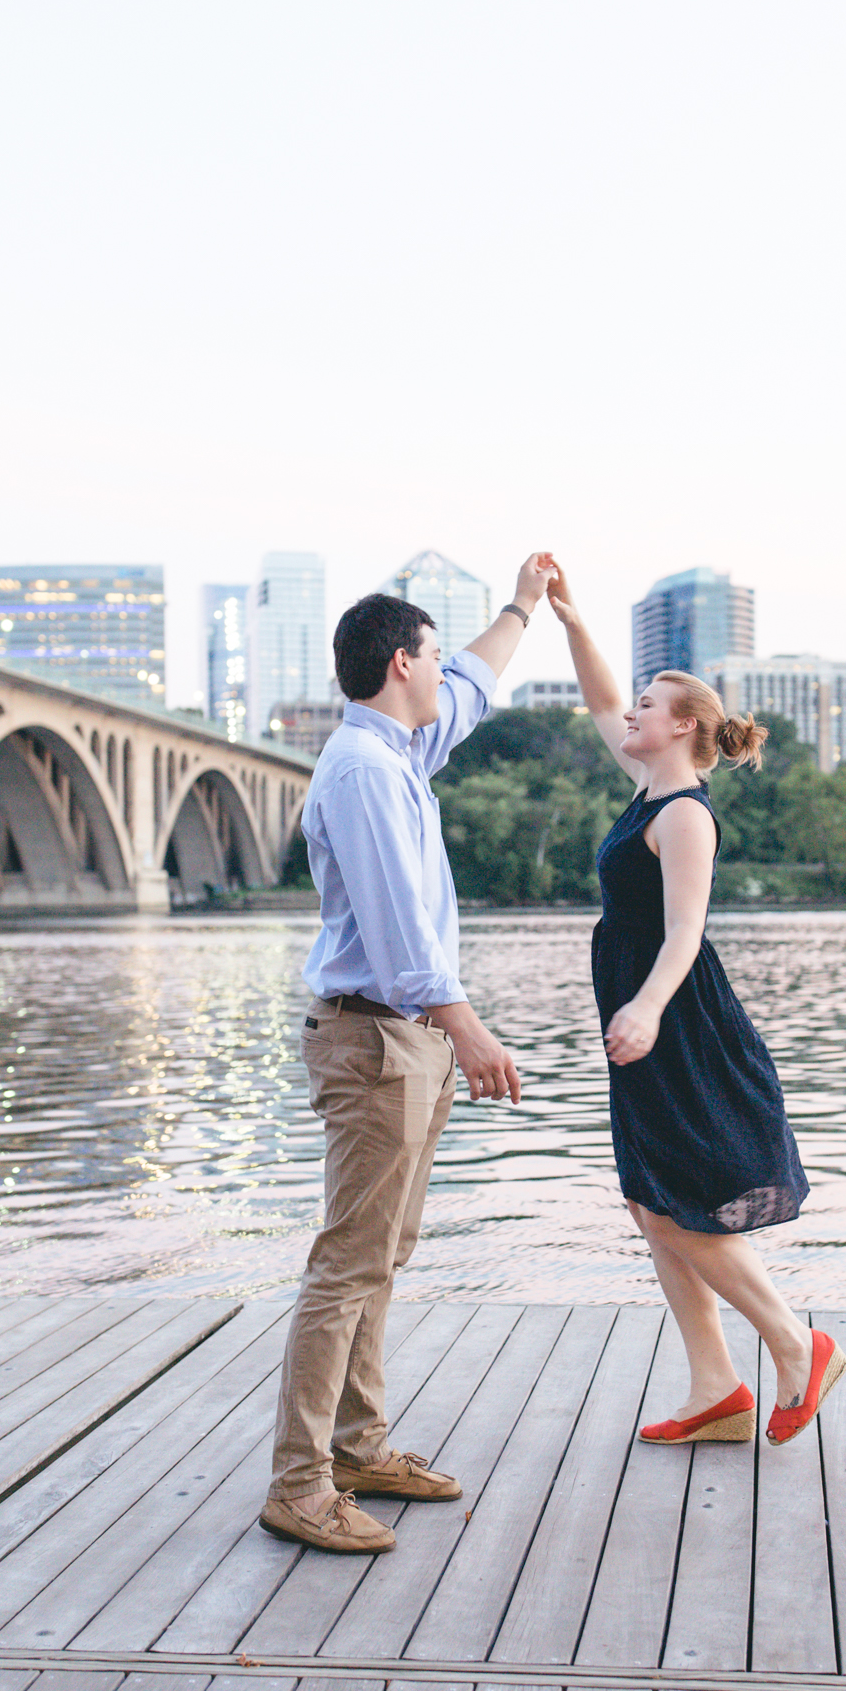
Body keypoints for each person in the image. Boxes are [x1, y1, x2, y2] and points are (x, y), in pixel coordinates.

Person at [261, 553, 557, 1555]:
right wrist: (469, 1029)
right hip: (379, 1038)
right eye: (431, 655)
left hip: (405, 1040)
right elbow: (397, 933)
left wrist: (522, 603)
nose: (443, 672)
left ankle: (357, 1446)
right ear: (399, 662)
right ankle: (299, 1482)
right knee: (348, 1262)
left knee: (384, 1251)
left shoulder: (398, 755)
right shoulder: (363, 773)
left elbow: (473, 681)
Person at [548, 564, 845, 1446]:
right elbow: (602, 696)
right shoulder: (645, 785)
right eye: (634, 704)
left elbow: (685, 932)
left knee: (676, 1201)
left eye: (649, 704)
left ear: (683, 726)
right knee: (648, 1202)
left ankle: (796, 1344)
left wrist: (641, 1010)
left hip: (673, 1020)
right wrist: (569, 618)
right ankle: (715, 1386)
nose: (629, 713)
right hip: (642, 1016)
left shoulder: (682, 813)